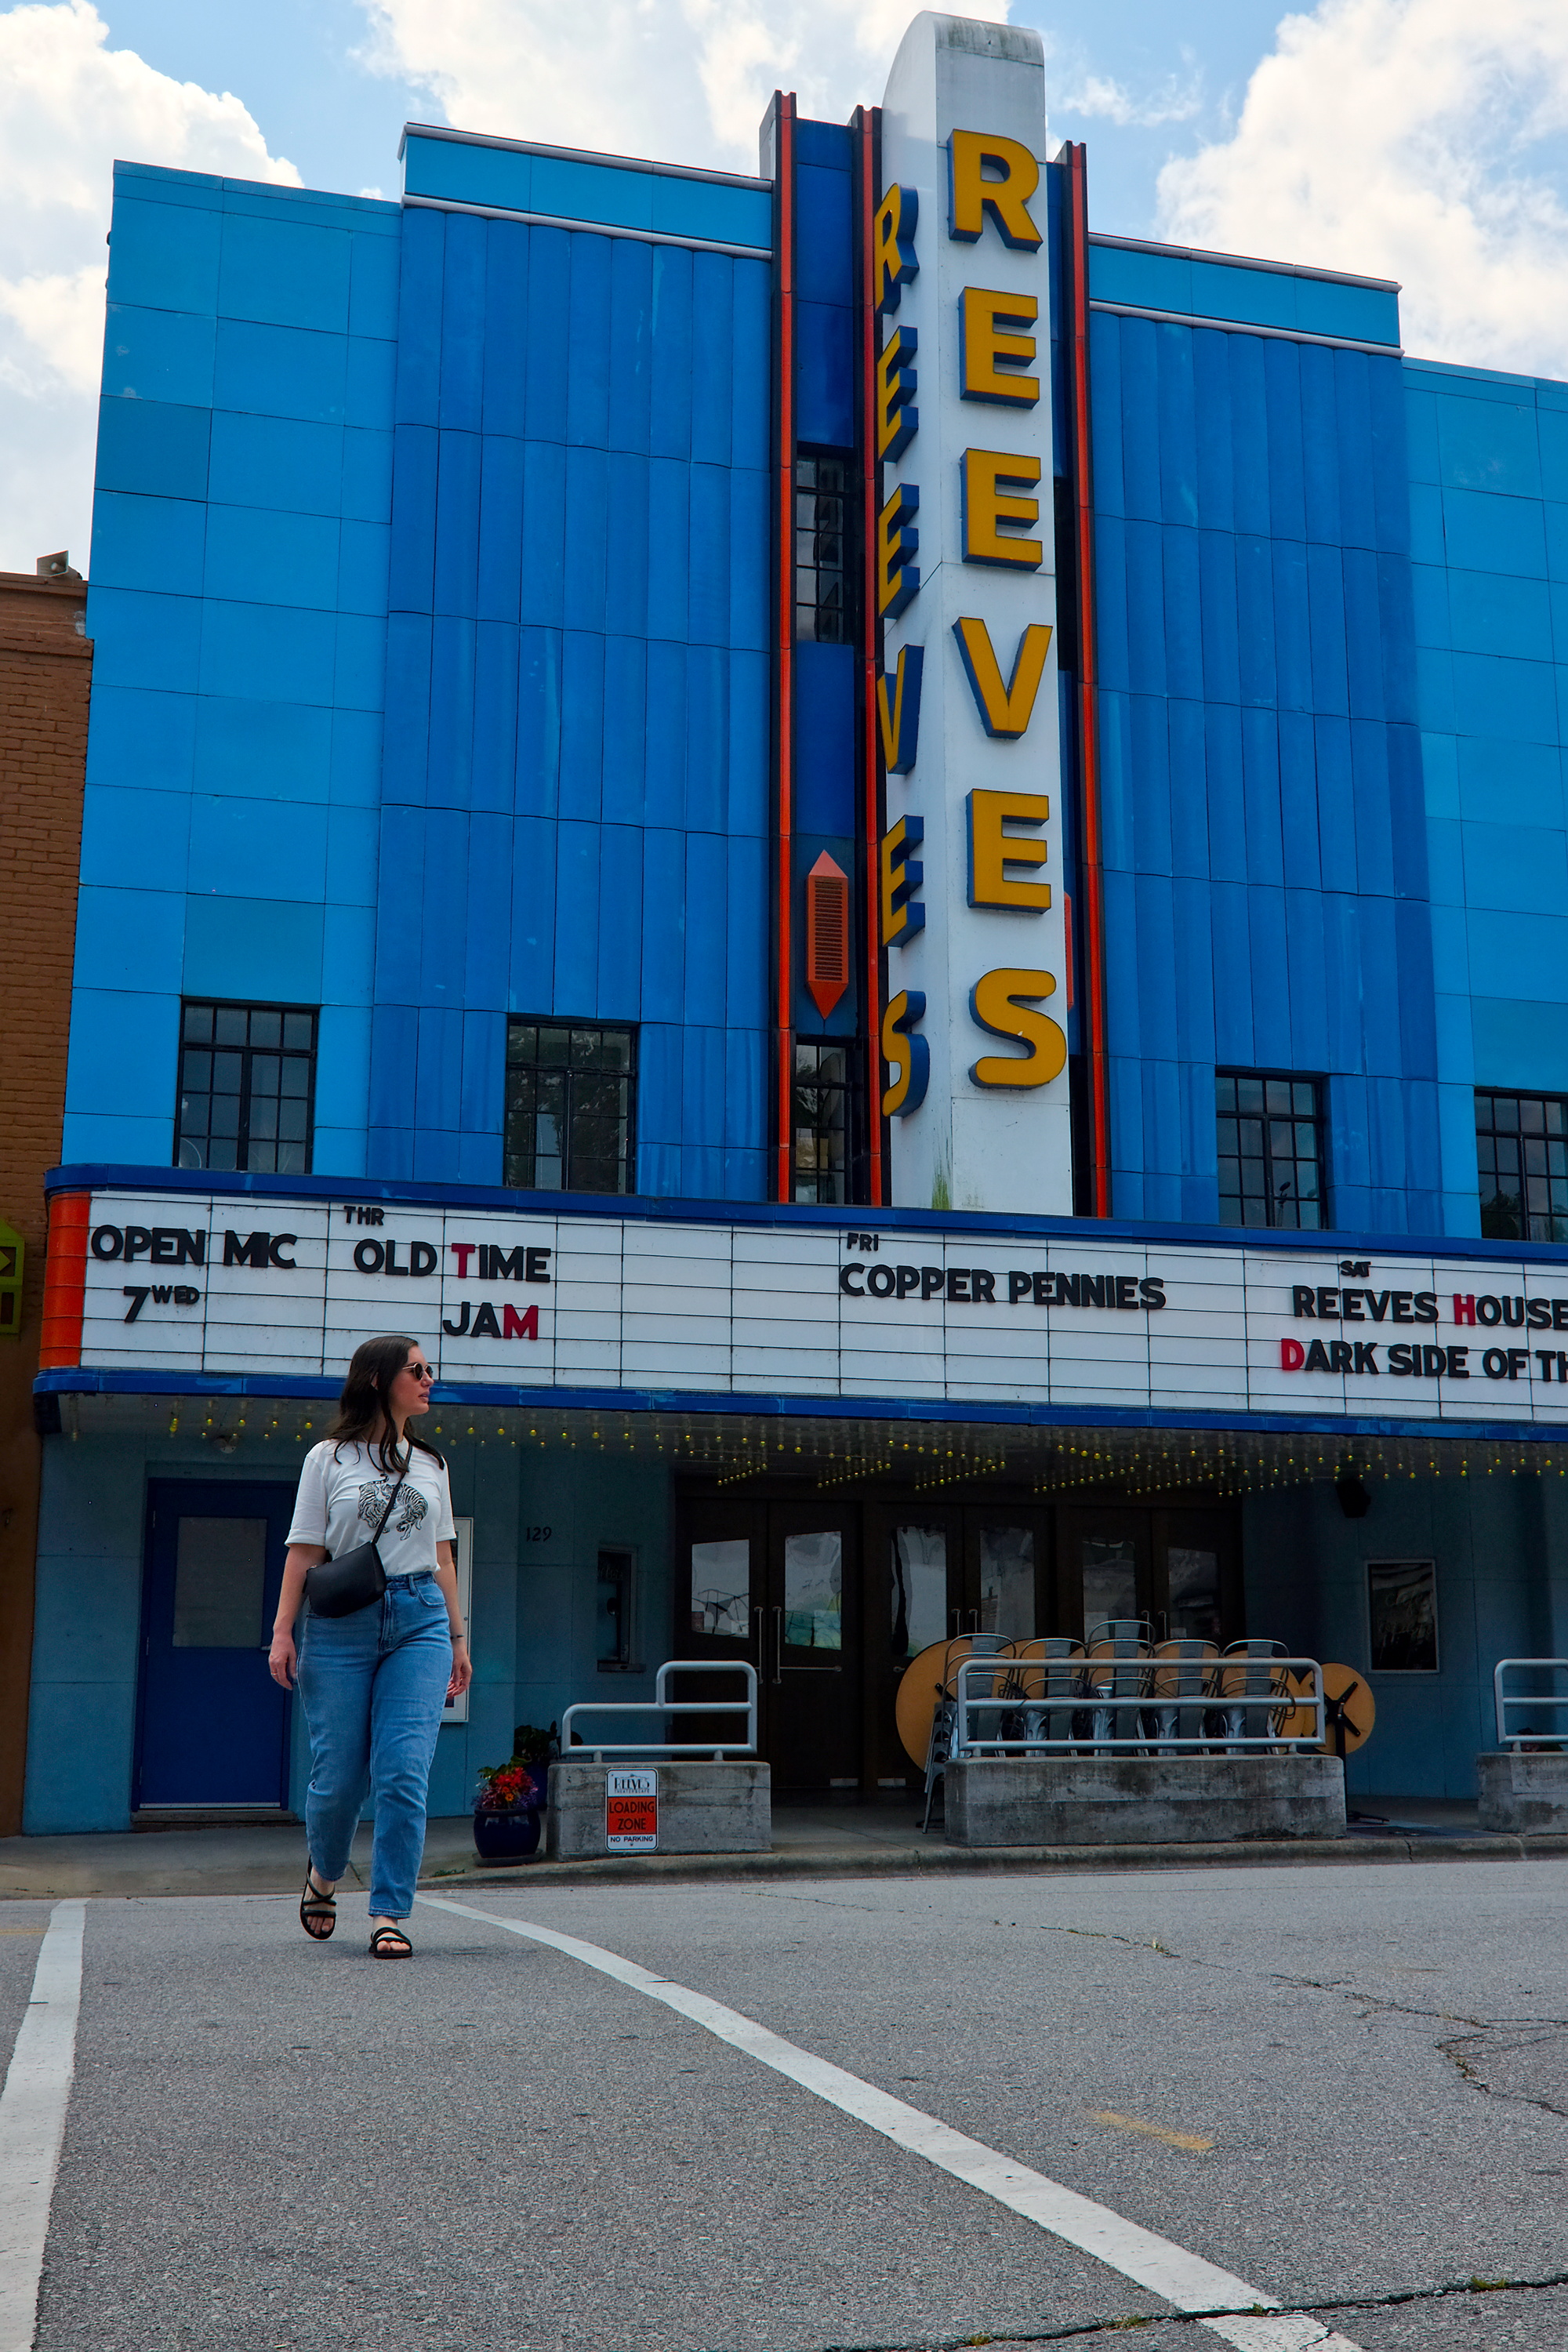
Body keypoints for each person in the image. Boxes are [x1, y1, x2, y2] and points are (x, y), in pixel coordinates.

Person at [268, 1334, 472, 1956]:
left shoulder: (432, 1464)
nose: (429, 1379)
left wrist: (460, 1639)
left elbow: (442, 1557)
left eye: (430, 1370)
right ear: (381, 1379)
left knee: (404, 1771)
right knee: (337, 1780)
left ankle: (389, 1912)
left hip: (421, 1621)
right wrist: (282, 1631)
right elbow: (305, 1550)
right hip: (342, 1625)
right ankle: (324, 1874)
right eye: (417, 1370)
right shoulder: (327, 1459)